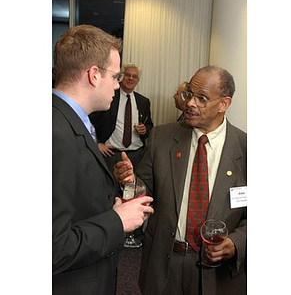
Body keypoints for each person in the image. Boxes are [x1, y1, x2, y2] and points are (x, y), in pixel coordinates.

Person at [114, 66, 247, 295]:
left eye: (202, 98)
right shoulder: (162, 138)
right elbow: (143, 190)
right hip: (165, 264)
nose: (190, 104)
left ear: (224, 104)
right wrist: (129, 181)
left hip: (219, 275)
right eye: (189, 94)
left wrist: (235, 243)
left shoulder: (247, 150)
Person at [52, 24, 154, 295]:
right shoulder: (55, 135)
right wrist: (117, 221)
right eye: (116, 76)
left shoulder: (68, 122)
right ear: (94, 75)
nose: (118, 84)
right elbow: (52, 248)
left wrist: (112, 204)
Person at [89, 63, 153, 175]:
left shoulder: (143, 102)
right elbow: (89, 120)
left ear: (138, 80)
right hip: (111, 155)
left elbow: (149, 126)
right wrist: (97, 144)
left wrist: (145, 130)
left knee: (132, 189)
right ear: (121, 77)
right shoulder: (109, 96)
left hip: (136, 156)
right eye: (127, 75)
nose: (130, 78)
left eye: (134, 76)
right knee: (109, 189)